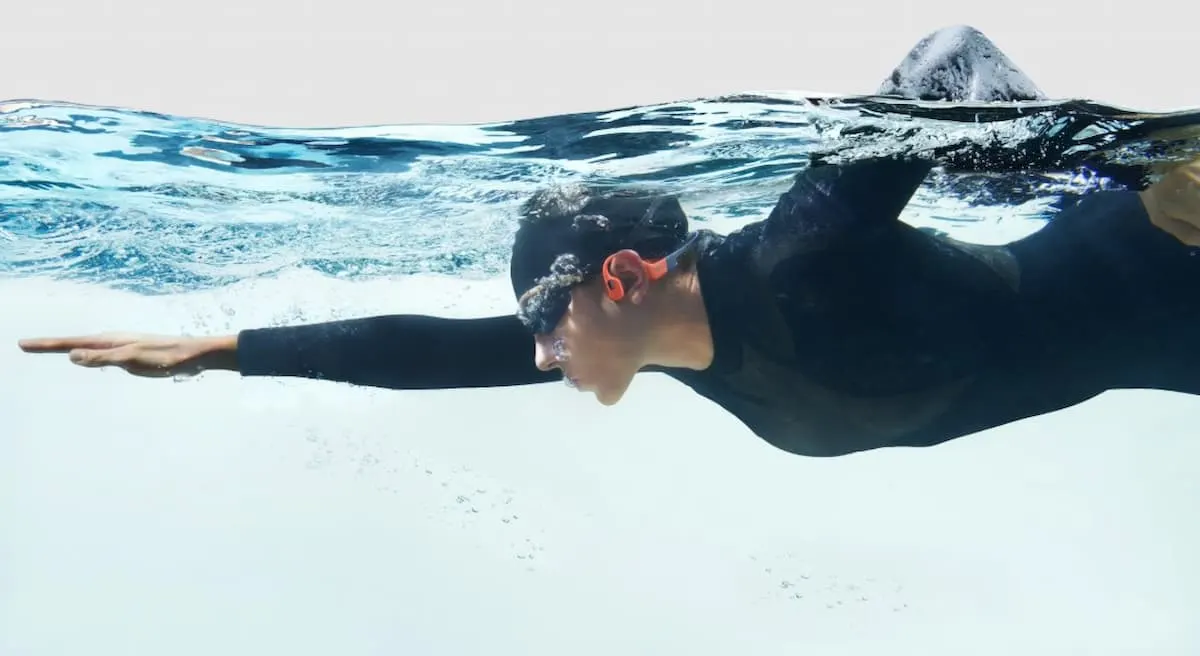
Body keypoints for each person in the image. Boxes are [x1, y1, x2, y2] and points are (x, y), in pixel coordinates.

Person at [17, 27, 1200, 458]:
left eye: (545, 315)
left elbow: (947, 68)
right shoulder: (673, 345)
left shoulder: (801, 255)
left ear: (622, 276)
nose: (534, 351)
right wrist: (219, 350)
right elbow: (430, 350)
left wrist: (1142, 162)